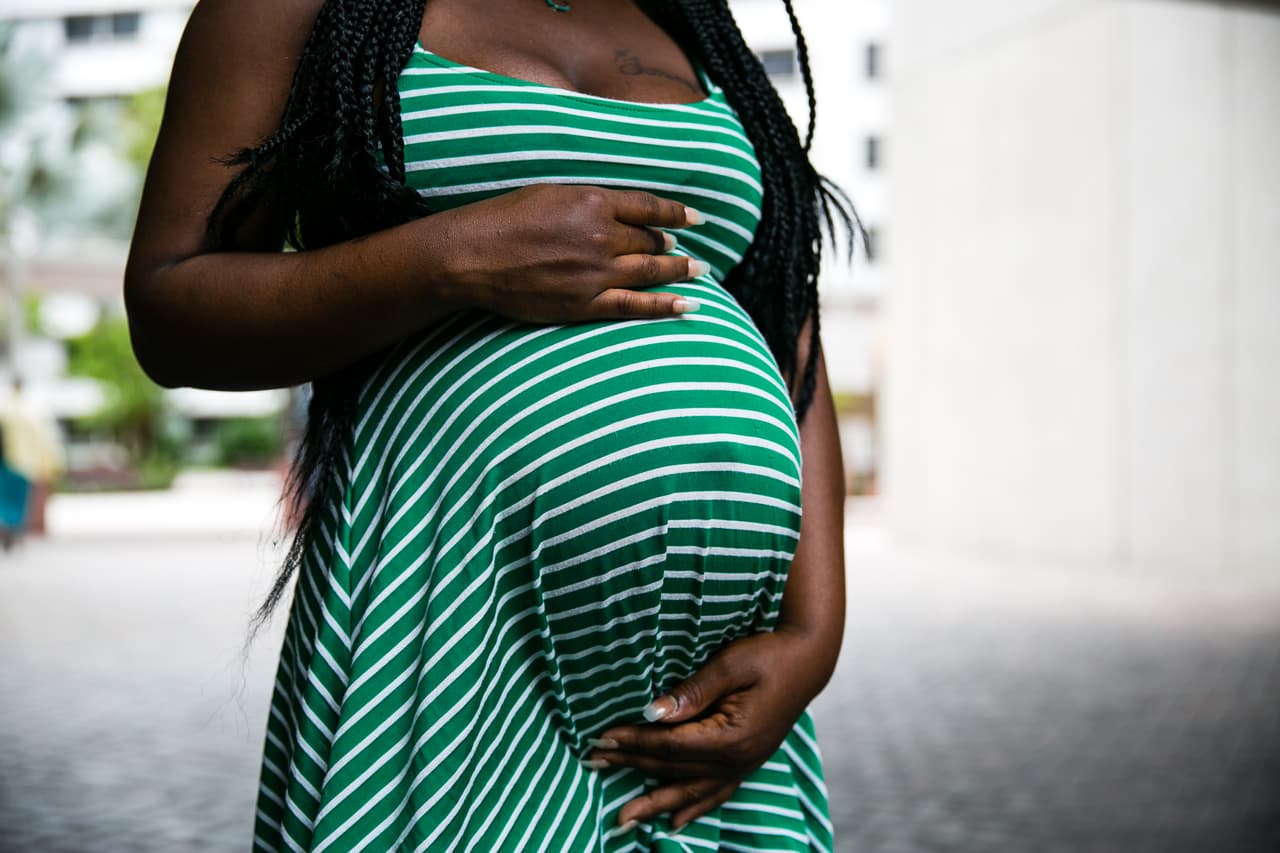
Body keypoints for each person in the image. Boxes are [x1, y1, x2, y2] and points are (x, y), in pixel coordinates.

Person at [125, 0, 851, 849]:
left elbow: (786, 320)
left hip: (714, 696)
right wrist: (447, 257)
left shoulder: (690, 17)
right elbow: (171, 308)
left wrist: (814, 632)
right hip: (449, 634)